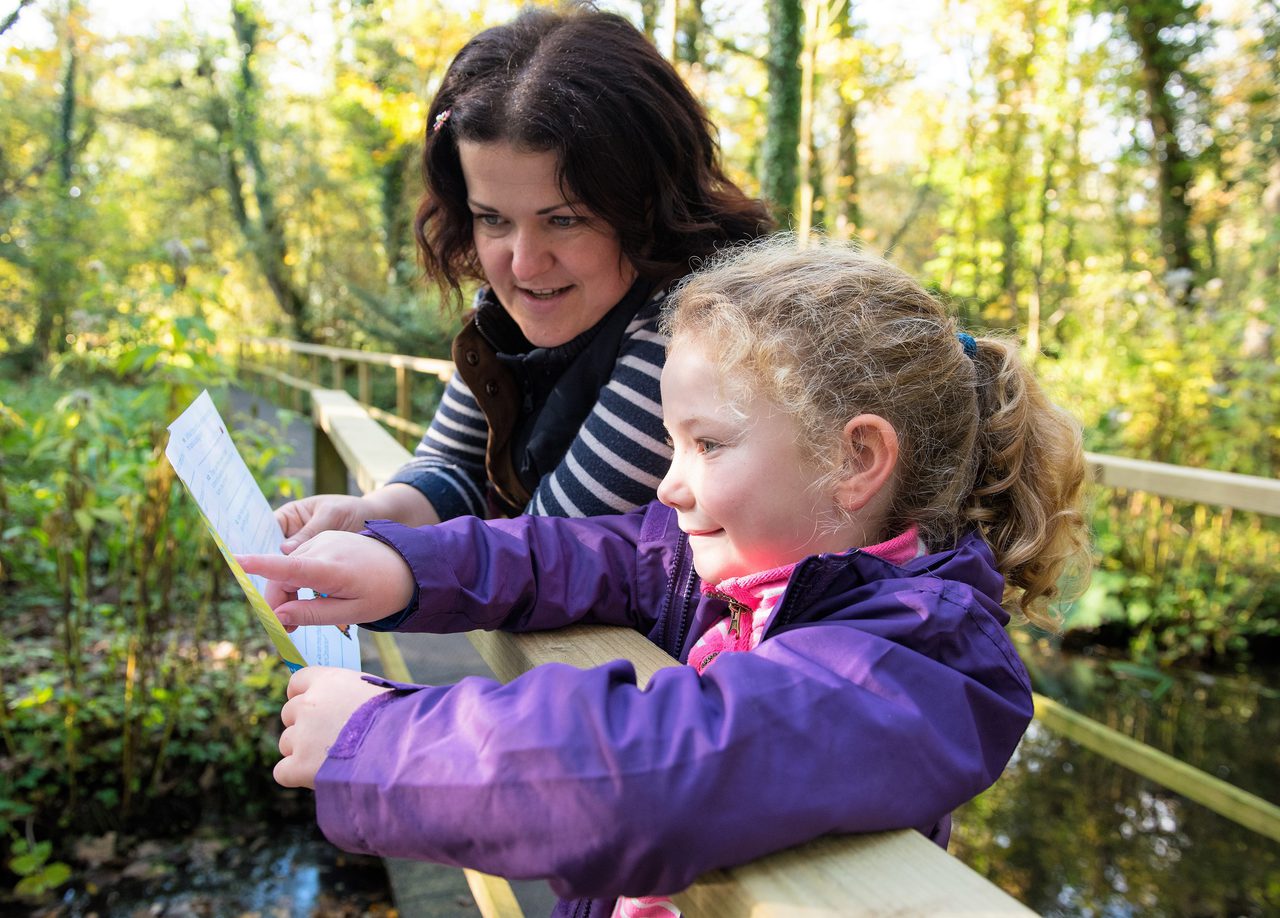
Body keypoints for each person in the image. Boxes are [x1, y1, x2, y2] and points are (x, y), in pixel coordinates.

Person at [239, 237, 1091, 916]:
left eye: (708, 444)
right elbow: (578, 553)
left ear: (855, 458)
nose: (668, 483)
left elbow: (666, 761)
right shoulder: (737, 565)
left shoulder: (923, 657)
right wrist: (400, 564)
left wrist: (377, 744)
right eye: (671, 442)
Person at [273, 6, 770, 550]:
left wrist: (394, 561)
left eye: (564, 220)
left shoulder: (699, 328)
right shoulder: (509, 311)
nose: (524, 264)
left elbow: (545, 544)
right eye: (493, 219)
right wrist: (373, 514)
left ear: (648, 206)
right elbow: (451, 463)